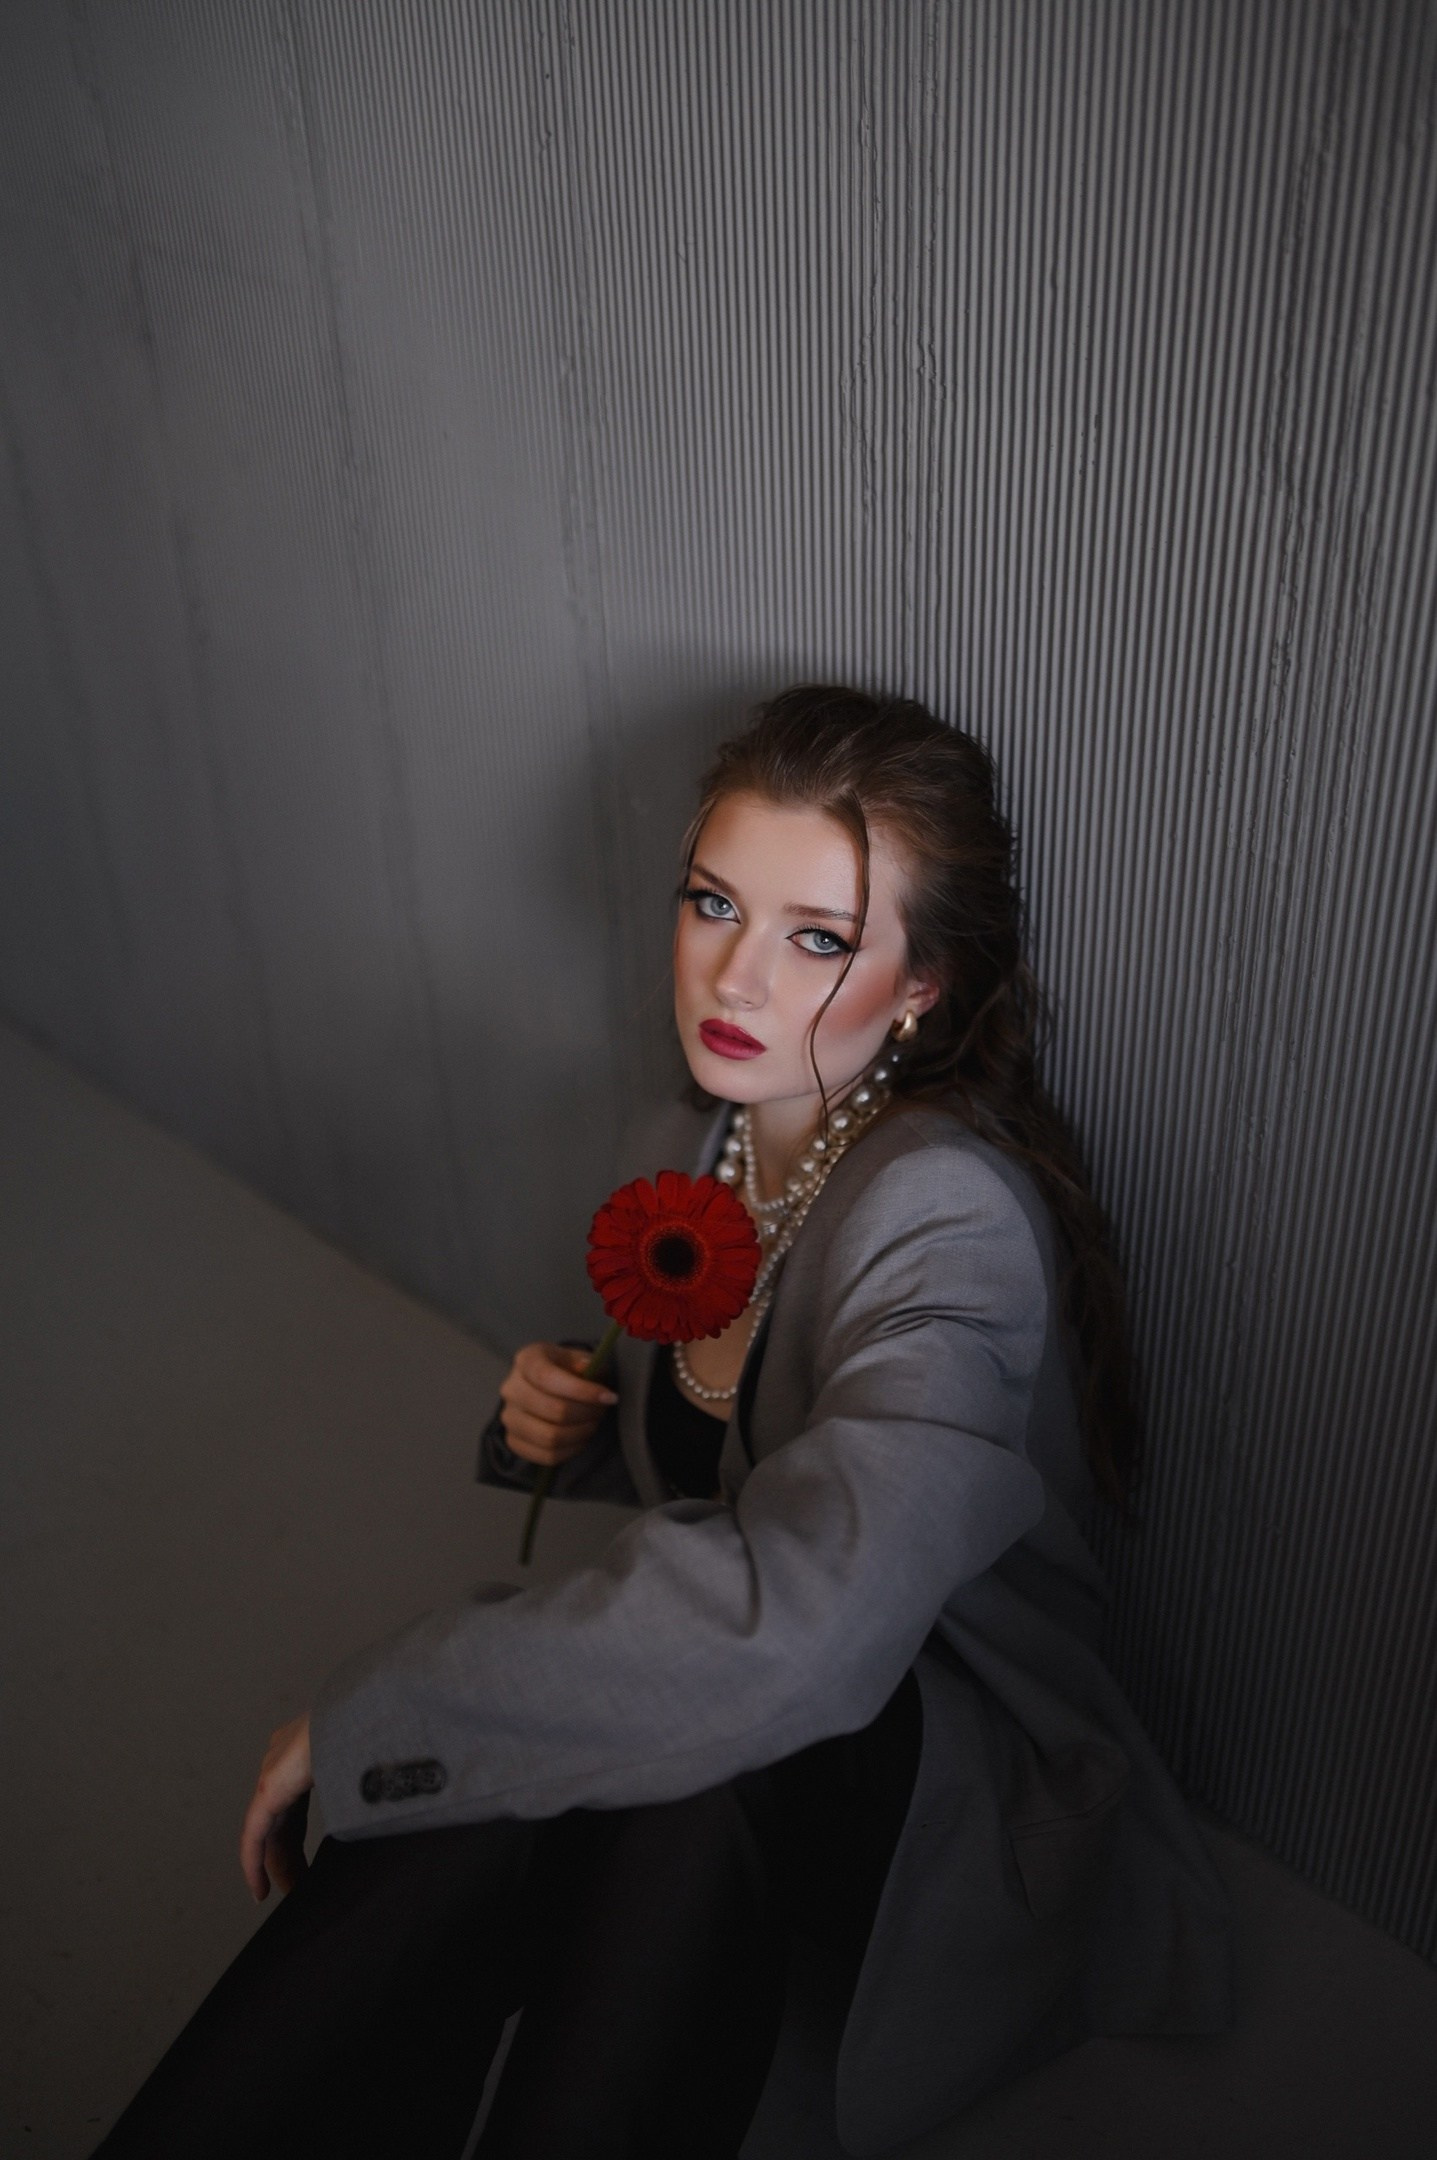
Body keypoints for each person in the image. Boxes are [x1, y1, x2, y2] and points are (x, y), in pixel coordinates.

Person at [93, 685, 1233, 2159]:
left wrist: (391, 1706)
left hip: (940, 1759)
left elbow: (806, 1622)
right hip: (765, 1705)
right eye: (713, 904)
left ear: (922, 987)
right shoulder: (688, 1139)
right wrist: (563, 1430)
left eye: (818, 939)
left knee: (657, 1754)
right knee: (573, 1766)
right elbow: (715, 1454)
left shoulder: (944, 1219)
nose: (734, 979)